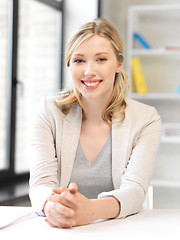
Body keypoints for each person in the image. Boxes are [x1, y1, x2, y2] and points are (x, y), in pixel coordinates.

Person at [29, 18, 161, 228]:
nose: (89, 71)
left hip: (119, 231)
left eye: (101, 59)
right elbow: (40, 186)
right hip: (61, 230)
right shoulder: (47, 112)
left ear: (118, 63)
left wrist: (90, 211)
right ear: (69, 64)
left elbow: (135, 190)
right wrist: (53, 206)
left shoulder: (146, 119)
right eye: (79, 60)